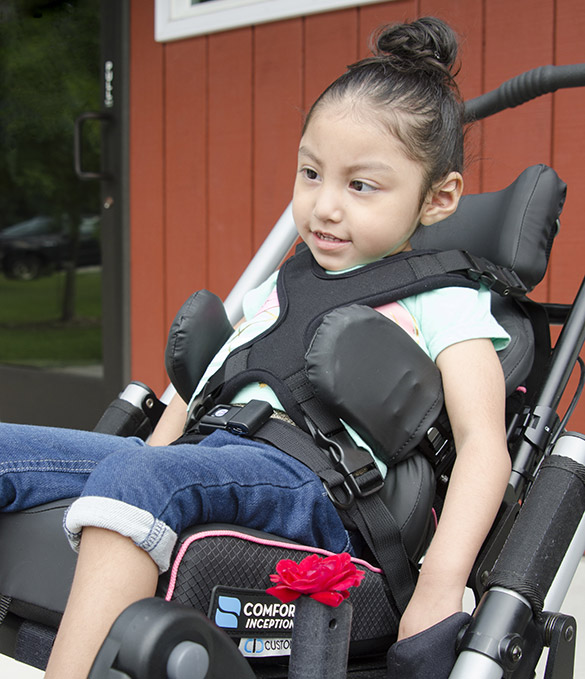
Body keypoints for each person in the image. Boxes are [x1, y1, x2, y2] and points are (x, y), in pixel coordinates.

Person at [0, 16, 512, 678]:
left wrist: (441, 582)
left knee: (139, 477)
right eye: (310, 173)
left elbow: (482, 445)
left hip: (317, 491)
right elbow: (210, 381)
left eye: (359, 185)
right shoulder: (288, 280)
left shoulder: (442, 299)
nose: (324, 205)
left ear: (438, 198)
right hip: (214, 453)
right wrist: (144, 462)